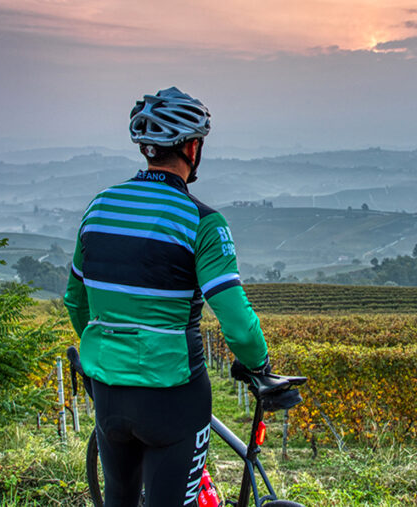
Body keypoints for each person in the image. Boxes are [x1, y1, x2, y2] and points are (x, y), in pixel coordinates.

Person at [64, 87, 274, 506]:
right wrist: (259, 365)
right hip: (173, 393)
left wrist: (104, 352)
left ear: (147, 149)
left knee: (119, 498)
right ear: (193, 148)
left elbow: (76, 300)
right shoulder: (202, 222)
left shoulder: (99, 207)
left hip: (108, 390)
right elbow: (237, 324)